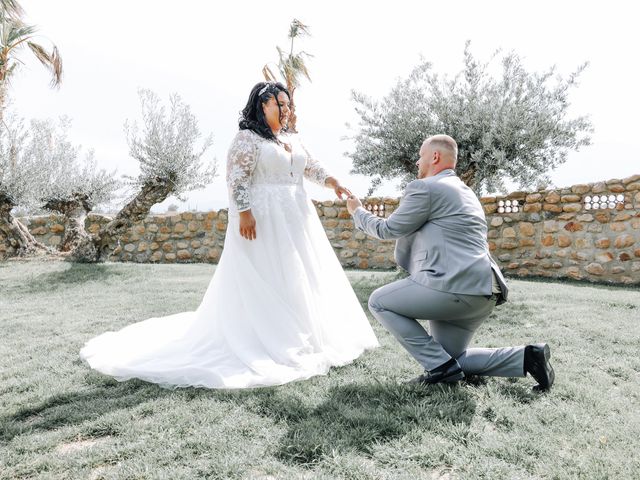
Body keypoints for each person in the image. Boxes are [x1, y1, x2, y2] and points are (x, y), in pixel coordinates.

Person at [80, 82, 378, 388]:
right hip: (263, 217)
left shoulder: (291, 138)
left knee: (302, 272)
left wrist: (334, 183)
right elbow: (236, 178)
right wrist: (244, 213)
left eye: (288, 105)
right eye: (281, 105)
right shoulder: (246, 139)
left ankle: (310, 333)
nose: (287, 110)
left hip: (296, 215)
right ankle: (268, 337)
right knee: (268, 273)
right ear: (264, 106)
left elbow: (310, 167)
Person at [346, 134, 554, 390]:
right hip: (484, 291)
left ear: (434, 157)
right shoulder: (466, 192)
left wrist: (357, 211)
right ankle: (527, 357)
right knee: (454, 358)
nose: (416, 162)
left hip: (454, 287)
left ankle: (440, 370)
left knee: (378, 301)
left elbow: (388, 229)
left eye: (420, 156)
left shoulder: (426, 187)